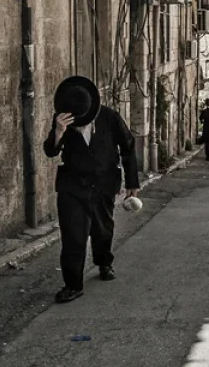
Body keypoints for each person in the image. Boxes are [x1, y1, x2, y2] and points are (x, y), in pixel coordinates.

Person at [44, 76, 140, 304]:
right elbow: (50, 151)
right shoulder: (63, 119)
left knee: (102, 229)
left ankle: (104, 262)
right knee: (73, 237)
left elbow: (127, 146)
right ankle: (72, 284)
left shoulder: (109, 117)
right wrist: (58, 132)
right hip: (72, 186)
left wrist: (132, 184)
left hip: (104, 184)